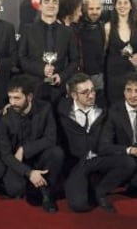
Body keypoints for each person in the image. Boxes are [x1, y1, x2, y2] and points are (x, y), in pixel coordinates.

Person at [57, 73, 135, 213]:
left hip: (101, 157)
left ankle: (101, 190)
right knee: (79, 205)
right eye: (85, 92)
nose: (91, 95)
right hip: (78, 162)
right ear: (74, 95)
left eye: (92, 90)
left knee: (128, 163)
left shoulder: (104, 104)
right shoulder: (62, 109)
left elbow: (125, 105)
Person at [0, 75, 64, 213]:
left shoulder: (45, 108)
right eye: (10, 97)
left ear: (29, 97)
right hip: (19, 162)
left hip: (39, 156)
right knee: (14, 189)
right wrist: (29, 173)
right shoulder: (5, 118)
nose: (12, 102)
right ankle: (34, 183)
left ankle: (47, 194)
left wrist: (24, 149)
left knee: (57, 152)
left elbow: (51, 138)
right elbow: (5, 155)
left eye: (17, 98)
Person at [19, 0, 78, 103]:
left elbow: (74, 61)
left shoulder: (68, 32)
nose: (51, 5)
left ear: (58, 6)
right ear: (40, 6)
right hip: (34, 88)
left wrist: (61, 76)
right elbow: (21, 58)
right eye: (47, 1)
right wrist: (42, 69)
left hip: (59, 90)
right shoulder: (28, 30)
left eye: (55, 2)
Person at [100, 72, 137, 195]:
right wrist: (130, 150)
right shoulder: (114, 112)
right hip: (124, 158)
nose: (133, 95)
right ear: (124, 92)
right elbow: (104, 146)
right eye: (129, 90)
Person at [104, 0, 137, 104]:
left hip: (133, 74)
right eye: (119, 3)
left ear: (131, 6)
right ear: (115, 6)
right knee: (114, 106)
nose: (122, 6)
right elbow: (103, 51)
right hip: (114, 75)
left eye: (125, 3)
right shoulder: (107, 27)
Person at [77, 0, 106, 97]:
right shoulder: (77, 26)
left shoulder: (103, 26)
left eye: (98, 8)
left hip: (99, 77)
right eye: (91, 9)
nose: (95, 12)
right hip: (80, 76)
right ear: (84, 9)